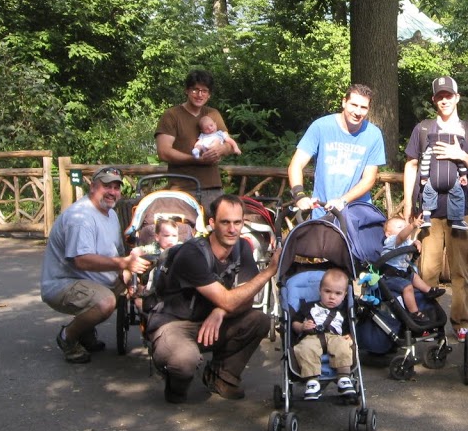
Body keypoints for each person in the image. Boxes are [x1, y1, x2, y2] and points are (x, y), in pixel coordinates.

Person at [144, 194, 278, 404]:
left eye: (237, 222)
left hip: (211, 322)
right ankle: (176, 385)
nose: (232, 229)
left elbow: (246, 296)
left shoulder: (242, 247)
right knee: (184, 361)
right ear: (212, 223)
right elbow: (230, 299)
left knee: (258, 320)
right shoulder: (192, 253)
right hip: (175, 323)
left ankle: (222, 378)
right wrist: (269, 272)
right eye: (225, 222)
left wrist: (220, 311)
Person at [403, 75, 468, 340]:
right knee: (427, 270)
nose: (444, 100)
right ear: (433, 100)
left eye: (448, 95)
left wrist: (460, 155)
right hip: (428, 212)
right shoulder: (424, 129)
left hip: (462, 212)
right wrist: (408, 205)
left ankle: (461, 323)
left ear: (457, 97)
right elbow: (411, 166)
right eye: (439, 96)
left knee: (461, 270)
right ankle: (428, 320)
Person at [41, 167, 150, 363]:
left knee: (138, 287)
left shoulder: (111, 214)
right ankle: (68, 337)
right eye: (107, 186)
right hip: (63, 284)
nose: (112, 192)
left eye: (116, 187)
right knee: (105, 302)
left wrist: (126, 272)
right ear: (92, 187)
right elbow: (81, 260)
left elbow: (115, 252)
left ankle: (85, 331)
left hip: (90, 279)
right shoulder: (81, 218)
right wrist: (123, 263)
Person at [287, 83, 386, 217]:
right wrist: (299, 195)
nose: (357, 112)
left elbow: (369, 178)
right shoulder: (321, 127)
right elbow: (296, 164)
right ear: (344, 102)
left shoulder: (373, 134)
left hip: (356, 214)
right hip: (322, 211)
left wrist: (343, 200)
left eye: (363, 108)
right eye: (354, 105)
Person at [155, 70, 236, 209]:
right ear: (186, 90)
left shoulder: (213, 114)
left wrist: (220, 150)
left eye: (204, 91)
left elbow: (229, 144)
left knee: (215, 229)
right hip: (182, 189)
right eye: (195, 90)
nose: (200, 95)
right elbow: (163, 152)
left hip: (213, 188)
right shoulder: (171, 115)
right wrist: (195, 159)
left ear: (209, 94)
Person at [290, 268, 356, 399]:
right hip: (311, 337)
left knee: (344, 345)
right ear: (320, 290)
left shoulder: (343, 312)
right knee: (305, 349)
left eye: (338, 293)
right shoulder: (308, 306)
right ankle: (312, 380)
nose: (332, 297)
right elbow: (294, 323)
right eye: (327, 291)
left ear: (344, 296)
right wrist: (302, 326)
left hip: (335, 337)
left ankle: (343, 377)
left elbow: (348, 330)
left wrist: (350, 337)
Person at [381, 216, 444, 322]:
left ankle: (428, 290)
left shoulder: (406, 241)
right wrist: (412, 226)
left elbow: (412, 241)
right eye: (400, 227)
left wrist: (417, 243)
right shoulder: (392, 240)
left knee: (414, 276)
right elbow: (401, 236)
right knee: (408, 286)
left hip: (402, 273)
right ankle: (414, 313)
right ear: (388, 233)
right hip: (390, 276)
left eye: (405, 226)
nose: (404, 228)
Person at [417, 138, 468, 230]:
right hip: (452, 180)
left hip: (434, 179)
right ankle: (457, 220)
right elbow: (460, 162)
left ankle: (426, 218)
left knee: (428, 195)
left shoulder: (431, 148)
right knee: (457, 196)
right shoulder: (455, 149)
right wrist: (463, 174)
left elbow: (425, 162)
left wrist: (424, 176)